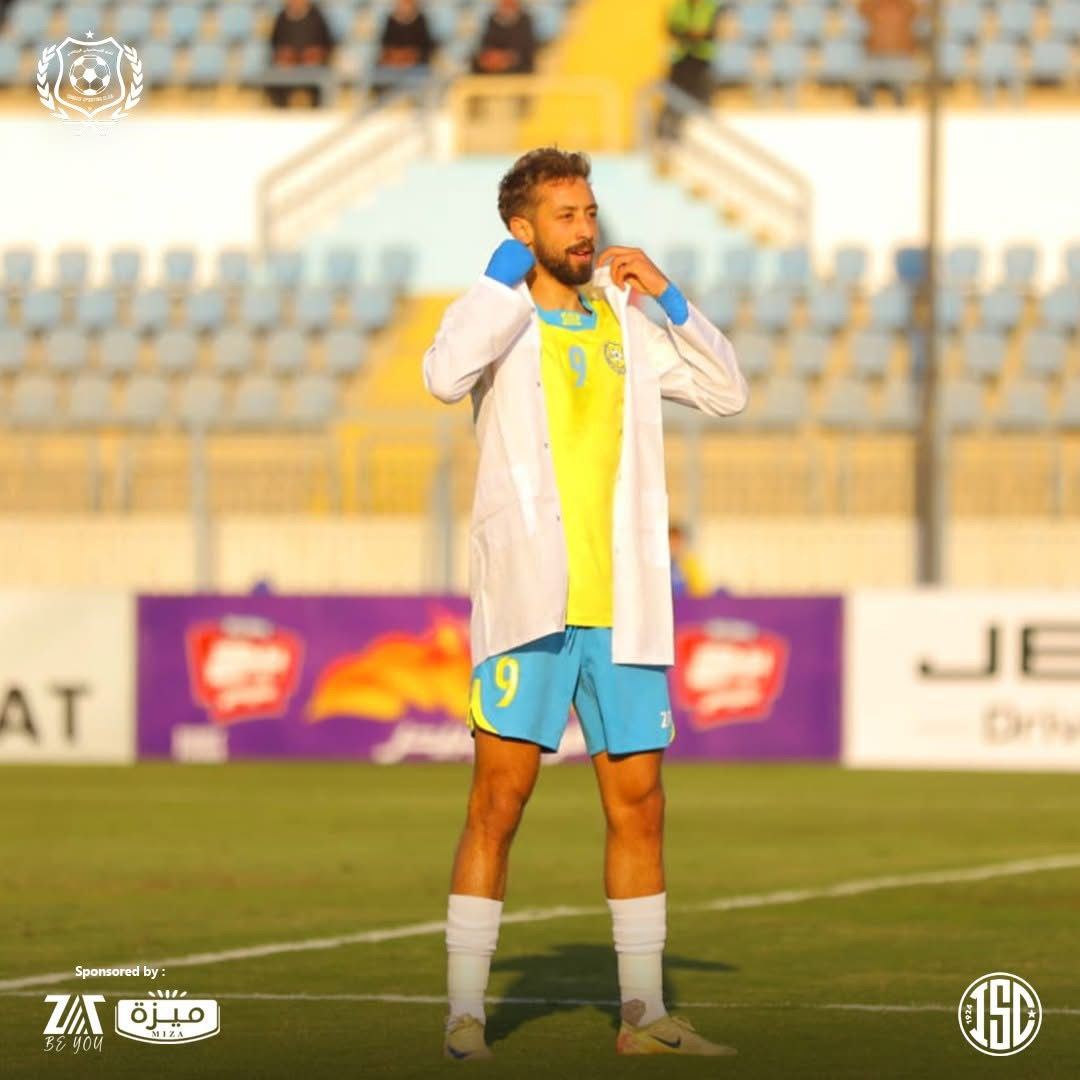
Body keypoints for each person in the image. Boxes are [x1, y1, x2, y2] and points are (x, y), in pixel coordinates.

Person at [423, 148, 748, 1060]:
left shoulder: (625, 320)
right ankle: (464, 1015)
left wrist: (672, 298)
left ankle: (643, 1016)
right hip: (529, 604)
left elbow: (728, 391)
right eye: (565, 216)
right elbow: (443, 376)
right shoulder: (497, 318)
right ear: (522, 229)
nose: (586, 230)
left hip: (623, 605)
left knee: (640, 804)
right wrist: (496, 279)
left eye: (590, 212)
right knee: (499, 802)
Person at [660, 0, 720, 139]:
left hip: (702, 59)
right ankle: (667, 135)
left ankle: (700, 134)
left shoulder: (710, 7)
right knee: (675, 97)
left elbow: (715, 30)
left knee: (701, 97)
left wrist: (700, 35)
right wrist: (691, 34)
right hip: (681, 59)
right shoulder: (678, 7)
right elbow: (671, 29)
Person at [267, 0, 335, 108]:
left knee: (317, 73)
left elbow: (326, 43)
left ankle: (317, 108)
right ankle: (280, 108)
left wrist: (316, 53)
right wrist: (284, 54)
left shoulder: (317, 16)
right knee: (277, 75)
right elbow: (275, 43)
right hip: (288, 62)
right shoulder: (282, 17)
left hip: (312, 61)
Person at [856, 0, 919, 107]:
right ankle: (867, 114)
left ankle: (901, 111)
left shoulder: (906, 6)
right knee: (861, 82)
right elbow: (861, 8)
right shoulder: (872, 5)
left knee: (902, 88)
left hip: (901, 58)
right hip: (874, 59)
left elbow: (916, 11)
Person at [375, 0, 437, 94]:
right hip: (393, 63)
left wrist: (409, 56)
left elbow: (425, 47)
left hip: (416, 64)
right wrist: (396, 57)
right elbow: (385, 46)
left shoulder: (421, 20)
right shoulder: (390, 20)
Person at [471, 0, 537, 75]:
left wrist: (506, 58)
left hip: (517, 63)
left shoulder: (525, 20)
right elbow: (486, 44)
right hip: (493, 62)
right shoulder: (492, 19)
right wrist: (492, 56)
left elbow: (526, 48)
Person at [669, 521, 710, 597]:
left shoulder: (690, 564)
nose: (674, 546)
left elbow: (700, 590)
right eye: (671, 542)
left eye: (677, 542)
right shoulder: (662, 565)